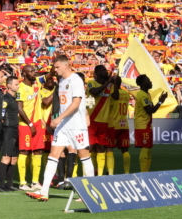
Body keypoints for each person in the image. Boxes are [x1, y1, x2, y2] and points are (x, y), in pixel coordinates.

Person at [26, 55, 94, 201]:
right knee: (53, 155)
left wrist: (58, 118)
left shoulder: (75, 80)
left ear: (65, 66)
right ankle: (44, 192)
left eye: (57, 67)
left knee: (84, 156)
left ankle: (90, 194)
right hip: (63, 126)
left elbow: (76, 104)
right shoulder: (61, 80)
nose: (54, 70)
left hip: (76, 125)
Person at [17, 65, 51, 191]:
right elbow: (19, 109)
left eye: (34, 70)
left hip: (37, 122)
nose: (33, 73)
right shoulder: (20, 88)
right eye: (30, 71)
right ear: (24, 74)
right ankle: (22, 182)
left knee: (38, 151)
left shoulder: (37, 82)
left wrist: (55, 67)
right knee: (24, 151)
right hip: (25, 124)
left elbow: (48, 75)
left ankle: (35, 181)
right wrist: (30, 125)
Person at [87, 65, 118, 176]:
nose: (106, 71)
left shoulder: (109, 86)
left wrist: (113, 83)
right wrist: (108, 83)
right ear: (97, 72)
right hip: (91, 120)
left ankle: (99, 175)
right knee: (90, 147)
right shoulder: (91, 83)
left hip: (104, 121)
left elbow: (115, 97)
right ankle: (88, 174)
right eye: (103, 70)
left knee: (101, 147)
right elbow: (94, 92)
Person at [135, 75, 168, 172]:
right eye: (148, 80)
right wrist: (161, 101)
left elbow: (152, 108)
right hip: (142, 124)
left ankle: (146, 172)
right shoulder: (141, 94)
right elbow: (150, 110)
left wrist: (160, 101)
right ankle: (143, 173)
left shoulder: (147, 94)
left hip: (147, 124)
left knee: (148, 149)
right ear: (143, 83)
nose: (150, 81)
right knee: (145, 148)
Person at [0, 76, 20, 191]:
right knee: (6, 157)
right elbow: (1, 115)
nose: (18, 86)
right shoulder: (5, 98)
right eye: (16, 84)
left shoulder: (13, 98)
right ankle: (1, 184)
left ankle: (9, 184)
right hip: (7, 129)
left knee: (13, 158)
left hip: (14, 129)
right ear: (9, 86)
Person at [106, 76, 131, 174]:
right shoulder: (126, 94)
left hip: (113, 124)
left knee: (109, 149)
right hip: (124, 124)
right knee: (125, 150)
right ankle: (127, 172)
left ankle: (110, 173)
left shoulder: (111, 95)